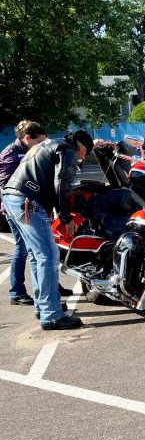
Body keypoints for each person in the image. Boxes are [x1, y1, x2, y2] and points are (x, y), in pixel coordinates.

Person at [2, 130, 95, 330]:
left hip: (13, 198)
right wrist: (66, 217)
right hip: (28, 202)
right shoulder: (67, 150)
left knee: (37, 256)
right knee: (48, 255)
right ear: (81, 145)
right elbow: (61, 183)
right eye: (86, 151)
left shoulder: (50, 144)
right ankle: (52, 316)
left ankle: (44, 306)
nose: (84, 156)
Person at [0, 121, 47, 305]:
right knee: (23, 249)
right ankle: (16, 292)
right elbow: (7, 188)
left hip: (32, 207)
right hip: (15, 209)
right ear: (28, 138)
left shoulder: (30, 151)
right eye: (40, 142)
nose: (43, 146)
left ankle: (50, 286)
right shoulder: (10, 155)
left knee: (41, 250)